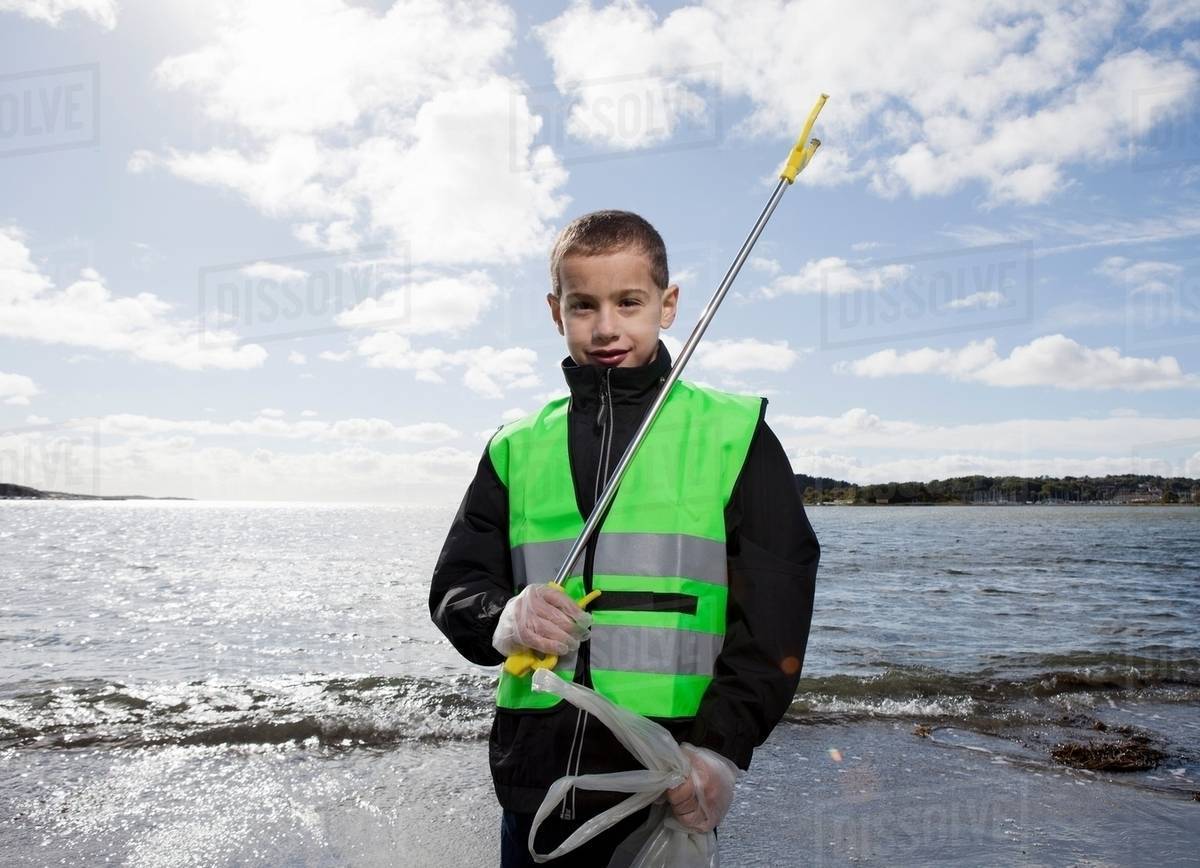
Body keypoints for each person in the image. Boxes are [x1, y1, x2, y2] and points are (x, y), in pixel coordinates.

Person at [429, 210, 819, 866]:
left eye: (628, 302)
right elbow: (456, 586)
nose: (606, 326)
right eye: (584, 305)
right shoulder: (515, 447)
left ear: (668, 305)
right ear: (557, 311)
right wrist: (503, 617)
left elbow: (774, 617)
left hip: (668, 780)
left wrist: (722, 749)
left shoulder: (735, 433)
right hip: (537, 781)